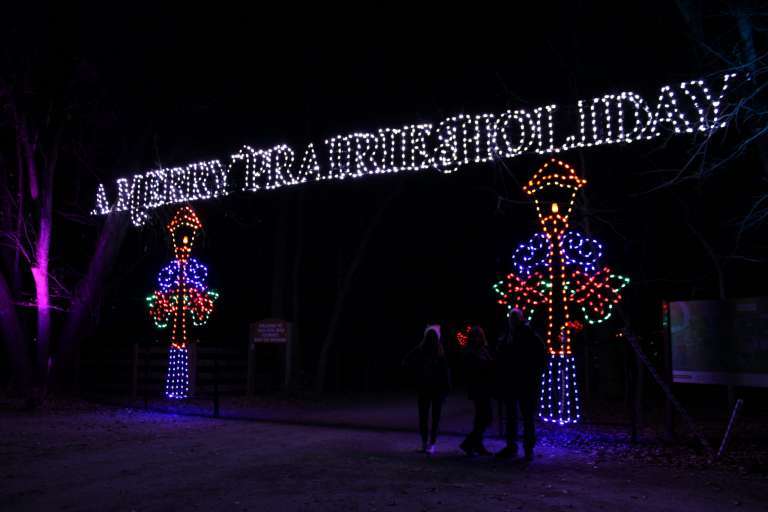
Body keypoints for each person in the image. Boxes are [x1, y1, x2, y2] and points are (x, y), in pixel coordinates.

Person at [495, 309, 547, 461]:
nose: (512, 321)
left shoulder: (527, 336)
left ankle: (526, 448)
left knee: (525, 417)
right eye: (511, 318)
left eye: (514, 318)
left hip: (525, 382)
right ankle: (516, 447)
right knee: (515, 416)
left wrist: (532, 374)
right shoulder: (511, 336)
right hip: (515, 382)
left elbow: (541, 359)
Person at [402, 325, 451, 454]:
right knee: (434, 418)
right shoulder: (438, 352)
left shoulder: (423, 350)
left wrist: (416, 375)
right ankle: (431, 444)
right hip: (434, 390)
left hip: (427, 389)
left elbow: (406, 361)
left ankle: (426, 444)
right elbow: (446, 374)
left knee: (425, 417)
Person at [460, 325, 494, 456]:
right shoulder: (471, 352)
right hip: (478, 388)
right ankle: (470, 443)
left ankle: (475, 444)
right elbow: (475, 369)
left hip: (484, 387)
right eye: (474, 336)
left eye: (478, 336)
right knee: (484, 417)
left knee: (483, 417)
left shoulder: (482, 350)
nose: (476, 338)